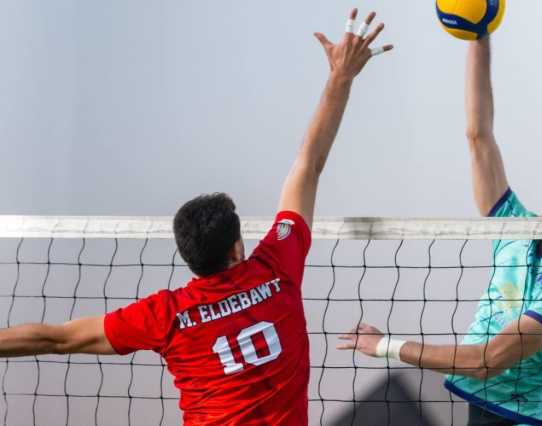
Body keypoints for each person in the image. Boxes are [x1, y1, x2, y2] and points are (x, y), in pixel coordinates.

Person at [0, 9, 392, 425]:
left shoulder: (166, 316)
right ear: (237, 246)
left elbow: (55, 339)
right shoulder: (277, 269)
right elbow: (308, 164)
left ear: (189, 255)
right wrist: (340, 77)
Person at [338, 37, 542, 426]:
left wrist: (387, 346)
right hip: (481, 411)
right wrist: (479, 33)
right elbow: (479, 136)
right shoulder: (517, 229)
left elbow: (487, 360)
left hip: (522, 420)